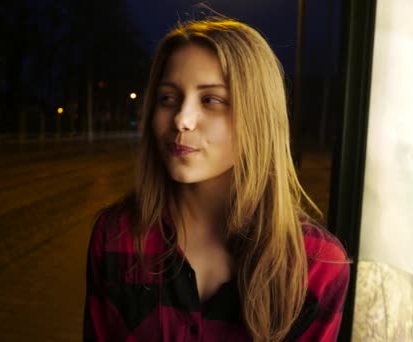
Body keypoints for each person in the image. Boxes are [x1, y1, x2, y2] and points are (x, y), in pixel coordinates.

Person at [83, 18, 350, 342]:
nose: (182, 119)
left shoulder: (316, 265)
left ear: (258, 117)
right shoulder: (117, 235)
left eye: (211, 100)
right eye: (168, 98)